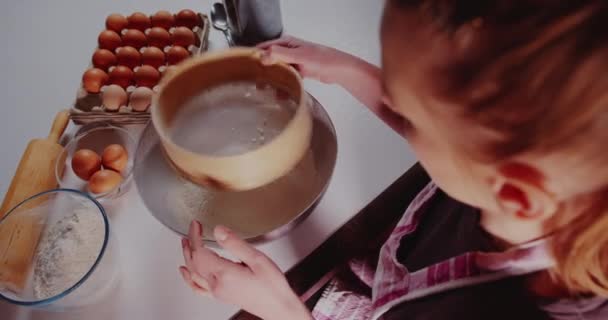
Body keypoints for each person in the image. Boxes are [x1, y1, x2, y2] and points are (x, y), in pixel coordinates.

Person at [179, 1, 608, 319]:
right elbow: (459, 141)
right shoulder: (549, 184)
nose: (390, 102)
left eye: (408, 113)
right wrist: (346, 69)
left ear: (515, 193)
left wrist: (280, 310)